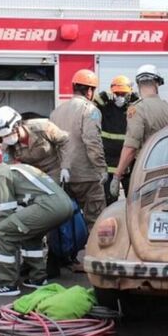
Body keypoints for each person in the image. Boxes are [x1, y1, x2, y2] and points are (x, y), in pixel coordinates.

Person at [0, 158, 74, 296]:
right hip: (63, 204)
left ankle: (6, 283)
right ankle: (37, 278)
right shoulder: (19, 168)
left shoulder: (0, 174)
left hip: (49, 205)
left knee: (1, 232)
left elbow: (6, 211)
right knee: (29, 234)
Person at [109, 64, 168, 199]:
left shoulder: (137, 109)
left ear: (138, 84)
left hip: (148, 175)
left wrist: (117, 175)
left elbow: (131, 148)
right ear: (157, 84)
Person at [49, 69, 107, 231]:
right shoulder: (90, 110)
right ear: (89, 90)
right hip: (87, 176)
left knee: (66, 221)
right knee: (95, 221)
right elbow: (92, 142)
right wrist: (101, 169)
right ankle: (94, 254)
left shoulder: (57, 112)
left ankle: (66, 255)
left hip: (63, 177)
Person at [0, 105, 70, 181]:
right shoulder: (7, 146)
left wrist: (65, 167)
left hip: (53, 170)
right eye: (3, 136)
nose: (6, 138)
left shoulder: (43, 127)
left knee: (54, 192)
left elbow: (65, 141)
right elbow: (8, 165)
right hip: (32, 176)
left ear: (16, 125)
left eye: (8, 134)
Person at [96, 75, 139, 205]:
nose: (120, 97)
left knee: (132, 203)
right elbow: (91, 104)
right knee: (109, 203)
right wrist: (102, 96)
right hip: (109, 166)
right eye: (117, 93)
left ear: (129, 93)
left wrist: (135, 100)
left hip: (129, 165)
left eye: (123, 94)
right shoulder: (105, 106)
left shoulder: (134, 107)